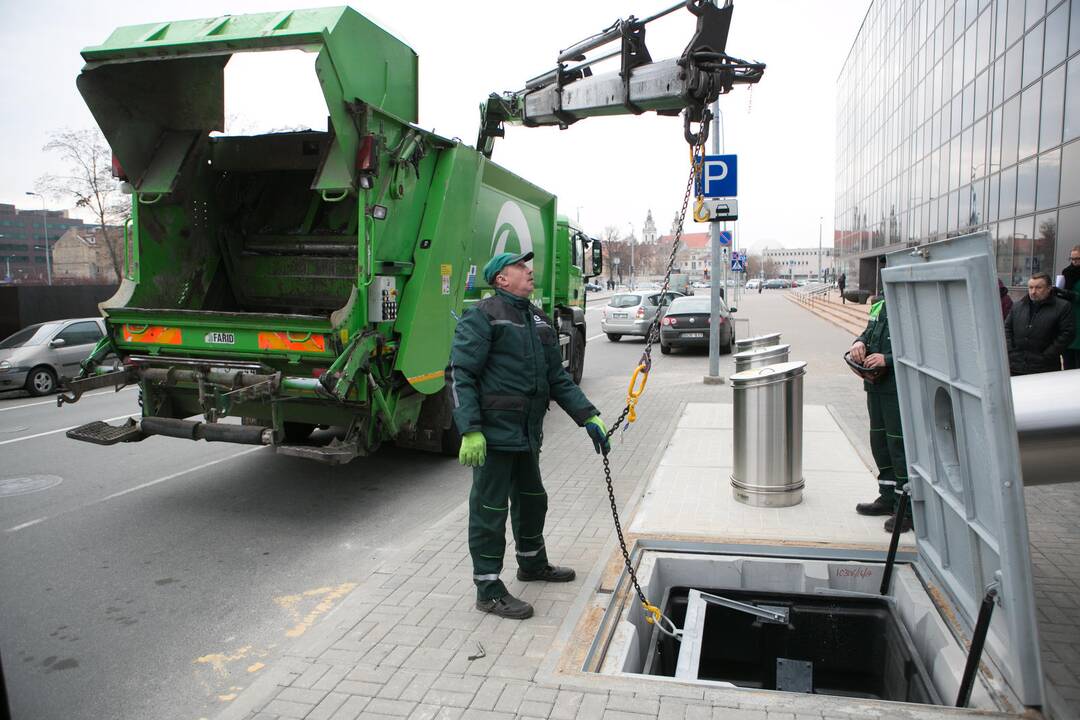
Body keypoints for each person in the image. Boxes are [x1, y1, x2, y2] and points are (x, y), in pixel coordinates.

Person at [449, 251, 610, 620]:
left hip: (527, 434)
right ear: (501, 279)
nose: (529, 271)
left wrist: (588, 417)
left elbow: (557, 378)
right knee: (490, 510)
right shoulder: (483, 316)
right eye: (520, 267)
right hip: (493, 435)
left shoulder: (537, 318)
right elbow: (461, 375)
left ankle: (532, 564)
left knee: (533, 499)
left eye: (528, 266)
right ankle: (488, 589)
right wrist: (470, 430)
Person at [849, 297, 912, 533]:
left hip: (896, 388)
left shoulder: (911, 302)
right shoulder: (881, 303)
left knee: (899, 446)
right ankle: (887, 497)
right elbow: (869, 330)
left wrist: (887, 359)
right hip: (876, 385)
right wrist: (859, 342)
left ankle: (906, 510)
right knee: (880, 443)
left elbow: (922, 345)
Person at [1004, 272, 1075, 376]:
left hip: (1045, 367)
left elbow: (1067, 334)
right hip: (1016, 365)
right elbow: (1007, 329)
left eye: (1038, 288)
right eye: (1030, 287)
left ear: (1049, 288)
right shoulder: (1018, 306)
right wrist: (1011, 351)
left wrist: (1047, 355)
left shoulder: (1062, 307)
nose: (1033, 292)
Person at [1060, 246, 1080, 370]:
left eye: (1077, 258)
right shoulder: (1066, 272)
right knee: (1068, 364)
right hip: (1068, 320)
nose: (1074, 262)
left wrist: (1073, 296)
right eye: (1072, 259)